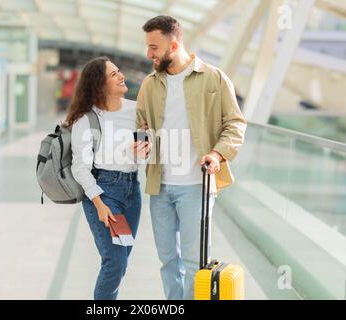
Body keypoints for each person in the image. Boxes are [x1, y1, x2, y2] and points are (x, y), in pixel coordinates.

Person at [136, 15, 247, 300]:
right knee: (167, 261)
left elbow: (235, 123)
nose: (149, 54)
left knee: (193, 262)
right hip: (159, 185)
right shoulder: (149, 84)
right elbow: (141, 125)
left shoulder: (214, 78)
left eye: (154, 48)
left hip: (197, 186)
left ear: (174, 44)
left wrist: (217, 153)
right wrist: (141, 142)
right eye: (148, 47)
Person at [64, 57, 150, 300]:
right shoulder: (87, 119)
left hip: (132, 190)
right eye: (114, 74)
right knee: (115, 262)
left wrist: (145, 149)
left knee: (121, 263)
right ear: (100, 85)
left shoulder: (137, 110)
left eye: (119, 71)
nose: (121, 76)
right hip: (103, 191)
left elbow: (145, 149)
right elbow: (81, 168)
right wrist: (100, 204)